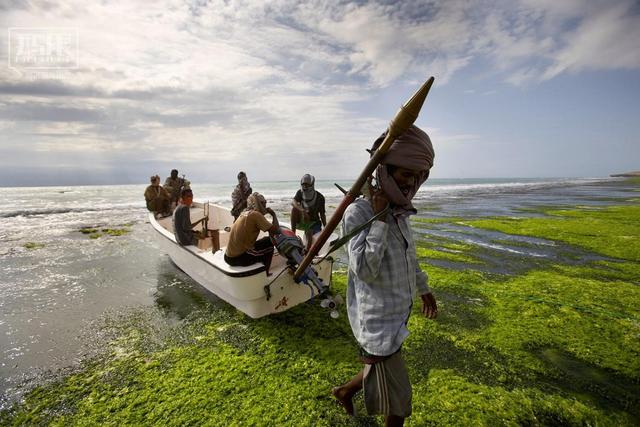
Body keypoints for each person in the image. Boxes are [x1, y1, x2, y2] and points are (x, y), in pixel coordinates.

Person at [332, 125, 438, 427]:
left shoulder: (400, 211)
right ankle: (344, 391)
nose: (412, 182)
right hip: (377, 320)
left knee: (381, 370)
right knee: (400, 404)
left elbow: (409, 258)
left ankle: (343, 391)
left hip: (398, 316)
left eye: (418, 175)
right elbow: (365, 270)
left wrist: (423, 288)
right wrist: (378, 221)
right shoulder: (360, 213)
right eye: (405, 174)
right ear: (385, 171)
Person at [224, 192, 279, 275]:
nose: (265, 206)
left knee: (265, 240)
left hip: (228, 256)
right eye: (262, 203)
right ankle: (266, 273)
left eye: (265, 203)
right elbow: (276, 231)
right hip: (239, 257)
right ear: (256, 203)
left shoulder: (243, 213)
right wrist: (273, 214)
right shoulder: (256, 215)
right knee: (270, 243)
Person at [291, 174, 326, 251]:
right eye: (303, 184)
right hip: (303, 221)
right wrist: (302, 210)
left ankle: (307, 251)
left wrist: (326, 227)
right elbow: (293, 202)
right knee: (294, 209)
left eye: (307, 184)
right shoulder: (300, 193)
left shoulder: (320, 197)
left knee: (313, 240)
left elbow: (322, 214)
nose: (305, 187)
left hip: (314, 223)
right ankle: (292, 236)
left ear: (312, 184)